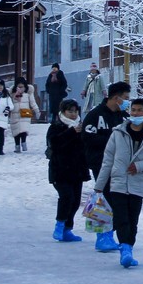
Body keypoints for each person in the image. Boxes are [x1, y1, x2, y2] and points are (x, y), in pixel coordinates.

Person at [94, 98, 143, 268]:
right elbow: (108, 160)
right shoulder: (118, 133)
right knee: (121, 217)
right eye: (133, 110)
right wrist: (99, 185)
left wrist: (140, 166)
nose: (136, 113)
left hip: (137, 184)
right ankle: (125, 249)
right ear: (129, 112)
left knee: (133, 219)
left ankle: (128, 248)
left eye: (140, 110)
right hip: (118, 183)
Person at [81, 81, 130, 253]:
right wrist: (111, 141)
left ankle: (110, 233)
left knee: (119, 199)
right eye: (125, 98)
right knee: (106, 198)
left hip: (121, 166)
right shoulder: (95, 115)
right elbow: (87, 137)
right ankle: (103, 236)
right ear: (116, 98)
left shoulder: (123, 116)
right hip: (101, 164)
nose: (127, 102)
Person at [46, 98, 88, 243]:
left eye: (75, 111)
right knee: (66, 197)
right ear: (63, 112)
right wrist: (71, 133)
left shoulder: (81, 127)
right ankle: (60, 224)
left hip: (76, 171)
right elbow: (54, 143)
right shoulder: (56, 126)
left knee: (75, 201)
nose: (73, 114)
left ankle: (67, 229)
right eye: (70, 111)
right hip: (60, 170)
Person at [8, 80, 41, 153]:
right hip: (14, 114)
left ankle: (23, 142)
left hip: (25, 114)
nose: (20, 88)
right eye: (18, 86)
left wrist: (37, 110)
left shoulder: (28, 94)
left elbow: (33, 102)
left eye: (21, 86)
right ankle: (17, 146)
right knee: (15, 131)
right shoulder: (13, 94)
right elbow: (8, 102)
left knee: (24, 129)